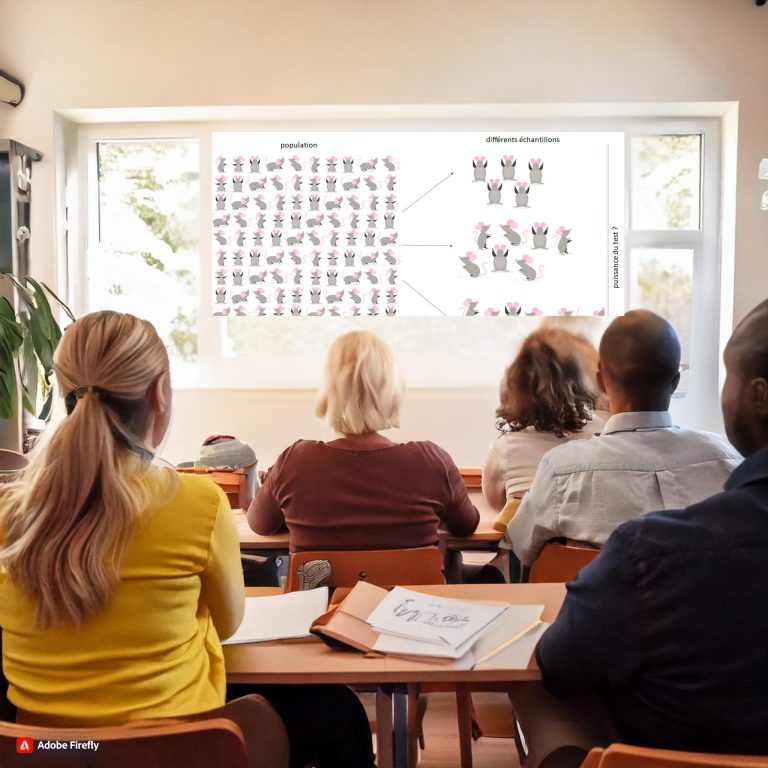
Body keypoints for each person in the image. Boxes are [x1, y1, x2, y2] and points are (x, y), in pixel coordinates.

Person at [0, 311, 374, 768]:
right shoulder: (197, 501)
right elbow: (229, 624)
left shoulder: (8, 512)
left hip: (42, 753)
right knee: (338, 712)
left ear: (64, 392)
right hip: (182, 753)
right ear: (159, 392)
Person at [511, 298, 768, 767]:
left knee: (541, 689)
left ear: (602, 379)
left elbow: (523, 552)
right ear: (675, 380)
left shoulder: (639, 549)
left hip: (654, 738)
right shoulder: (720, 459)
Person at [504, 309, 741, 566]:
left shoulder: (562, 470)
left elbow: (521, 547)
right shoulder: (727, 461)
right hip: (702, 605)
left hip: (597, 605)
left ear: (601, 382)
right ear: (674, 382)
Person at [247, 330, 479, 552]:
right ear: (392, 389)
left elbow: (260, 525)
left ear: (330, 390)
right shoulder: (432, 461)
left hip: (326, 593)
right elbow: (466, 526)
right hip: (408, 594)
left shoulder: (295, 461)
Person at [482, 327, 609, 512]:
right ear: (582, 382)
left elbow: (496, 503)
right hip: (588, 538)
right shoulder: (603, 432)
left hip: (529, 539)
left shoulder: (504, 449)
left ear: (516, 385)